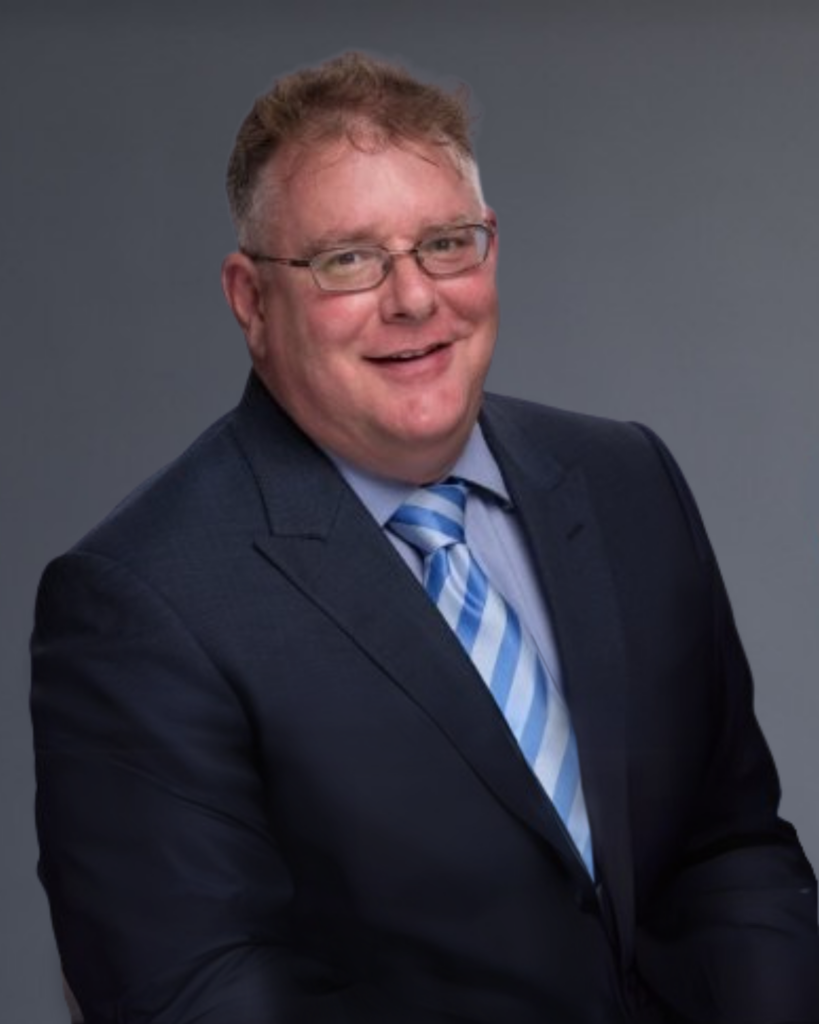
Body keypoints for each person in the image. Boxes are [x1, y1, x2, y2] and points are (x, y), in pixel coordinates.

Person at [31, 51, 819, 1024]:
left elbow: (730, 848)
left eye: (445, 243)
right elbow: (199, 992)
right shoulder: (144, 601)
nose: (412, 298)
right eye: (348, 259)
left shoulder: (626, 480)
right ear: (251, 300)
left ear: (490, 248)